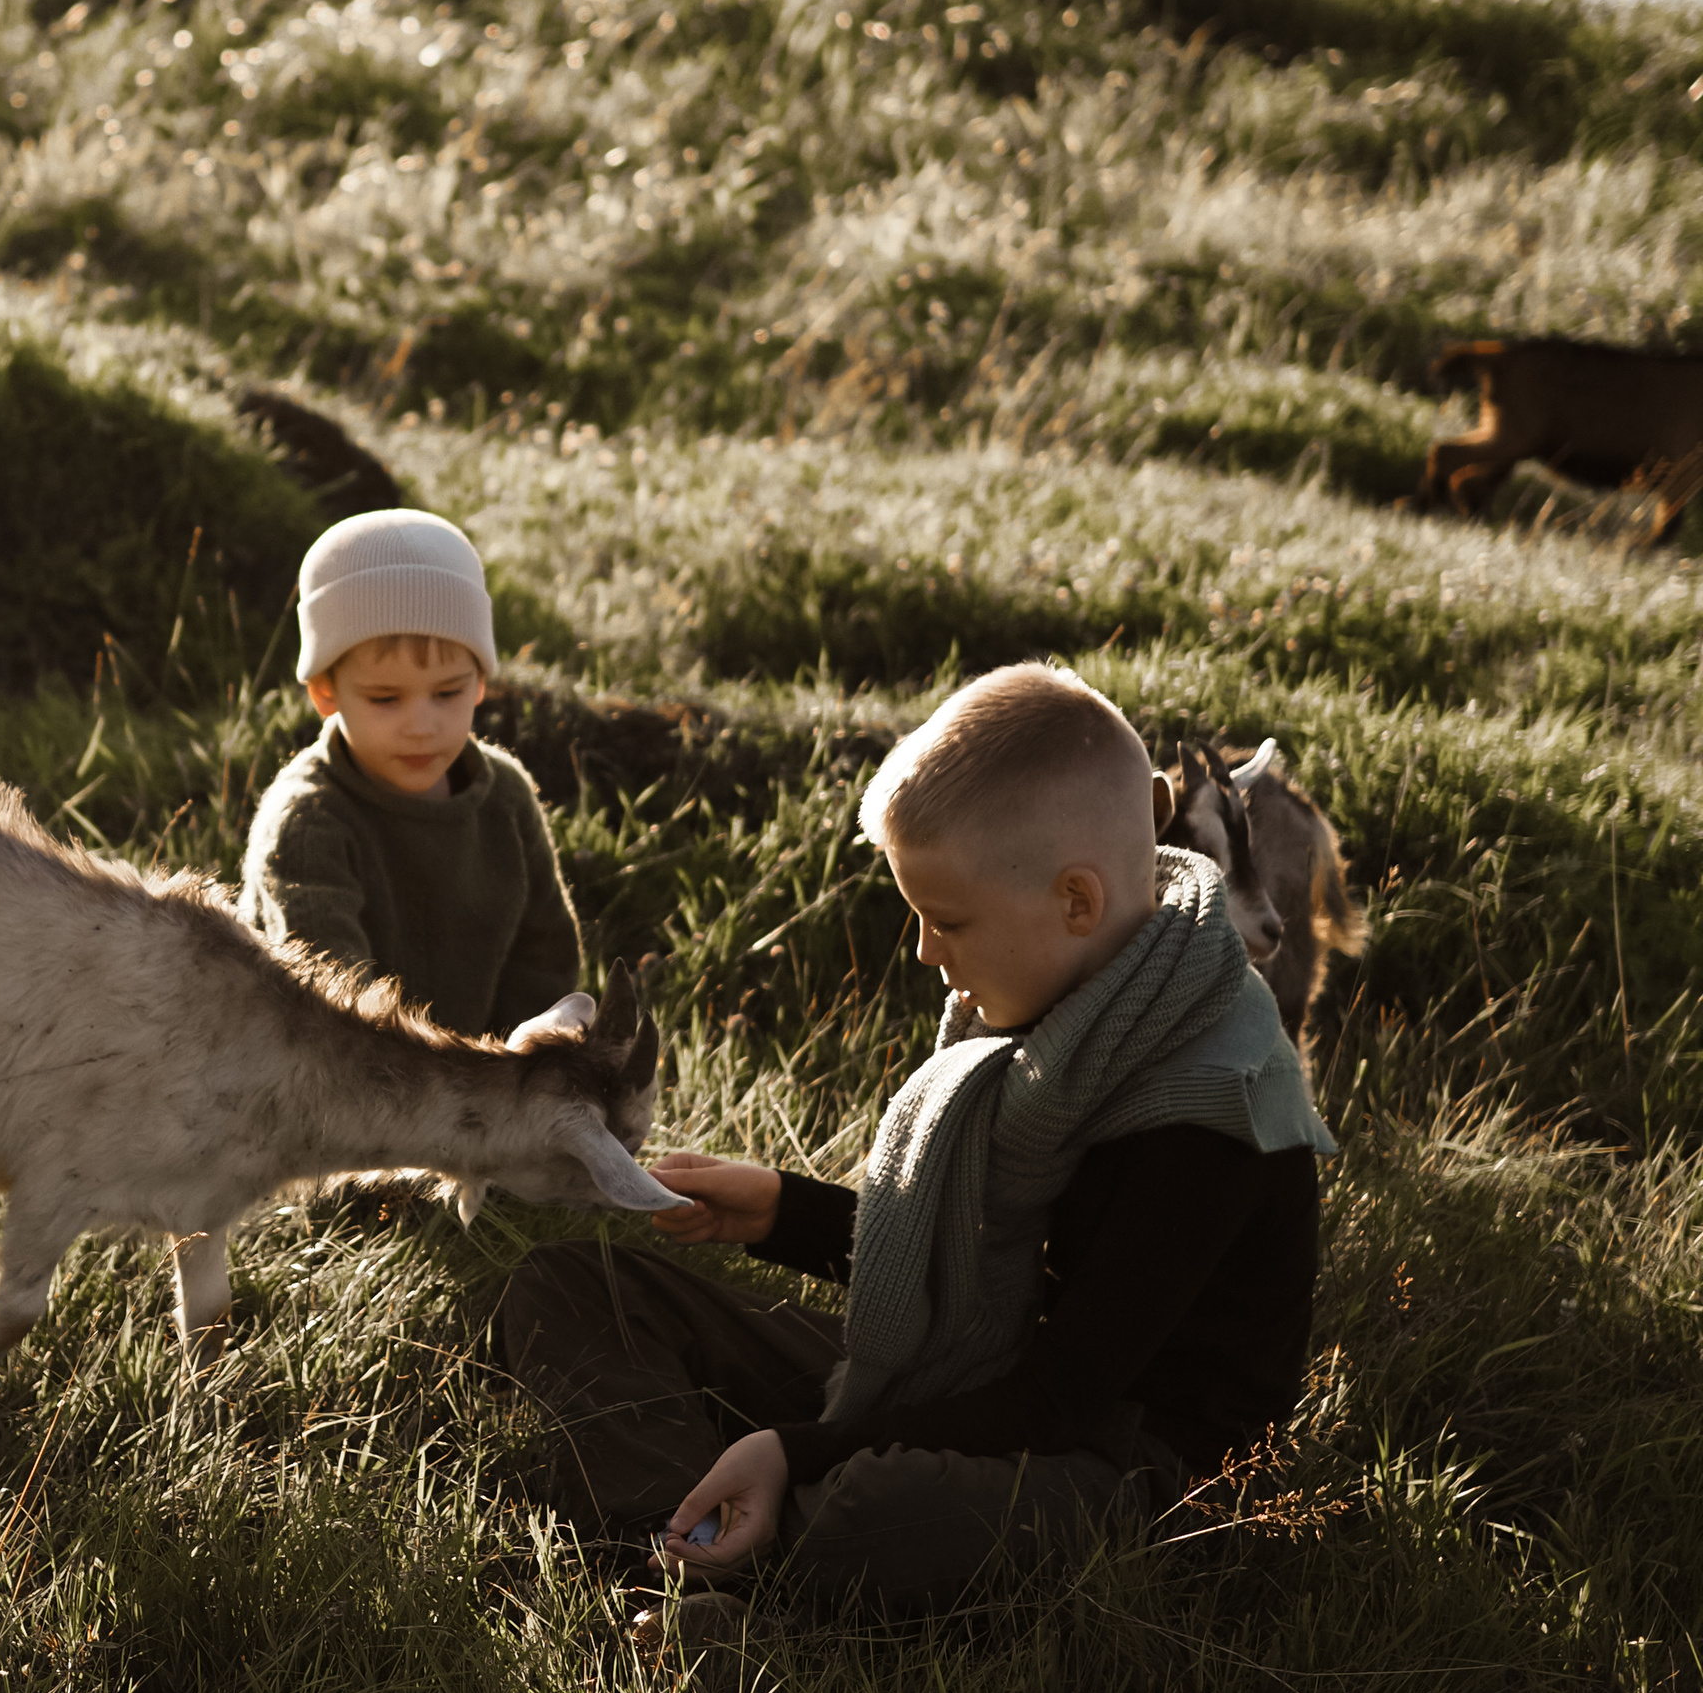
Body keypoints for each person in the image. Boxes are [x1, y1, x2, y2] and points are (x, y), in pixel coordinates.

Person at [495, 661, 1333, 1632]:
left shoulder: (1211, 1108)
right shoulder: (1079, 994)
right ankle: (687, 1547)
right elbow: (973, 1262)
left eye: (946, 919)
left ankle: (741, 1579)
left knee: (875, 1510)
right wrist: (779, 1206)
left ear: (1075, 899)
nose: (929, 953)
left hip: (1130, 1464)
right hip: (978, 1375)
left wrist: (800, 1449)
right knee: (570, 1286)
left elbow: (1059, 1393)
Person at [240, 508, 583, 1038]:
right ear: (325, 693)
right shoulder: (308, 822)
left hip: (482, 1079)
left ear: (481, 682)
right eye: (385, 698)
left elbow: (544, 957)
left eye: (447, 692)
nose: (421, 726)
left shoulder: (505, 797)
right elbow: (332, 1004)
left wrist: (526, 1064)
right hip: (333, 1077)